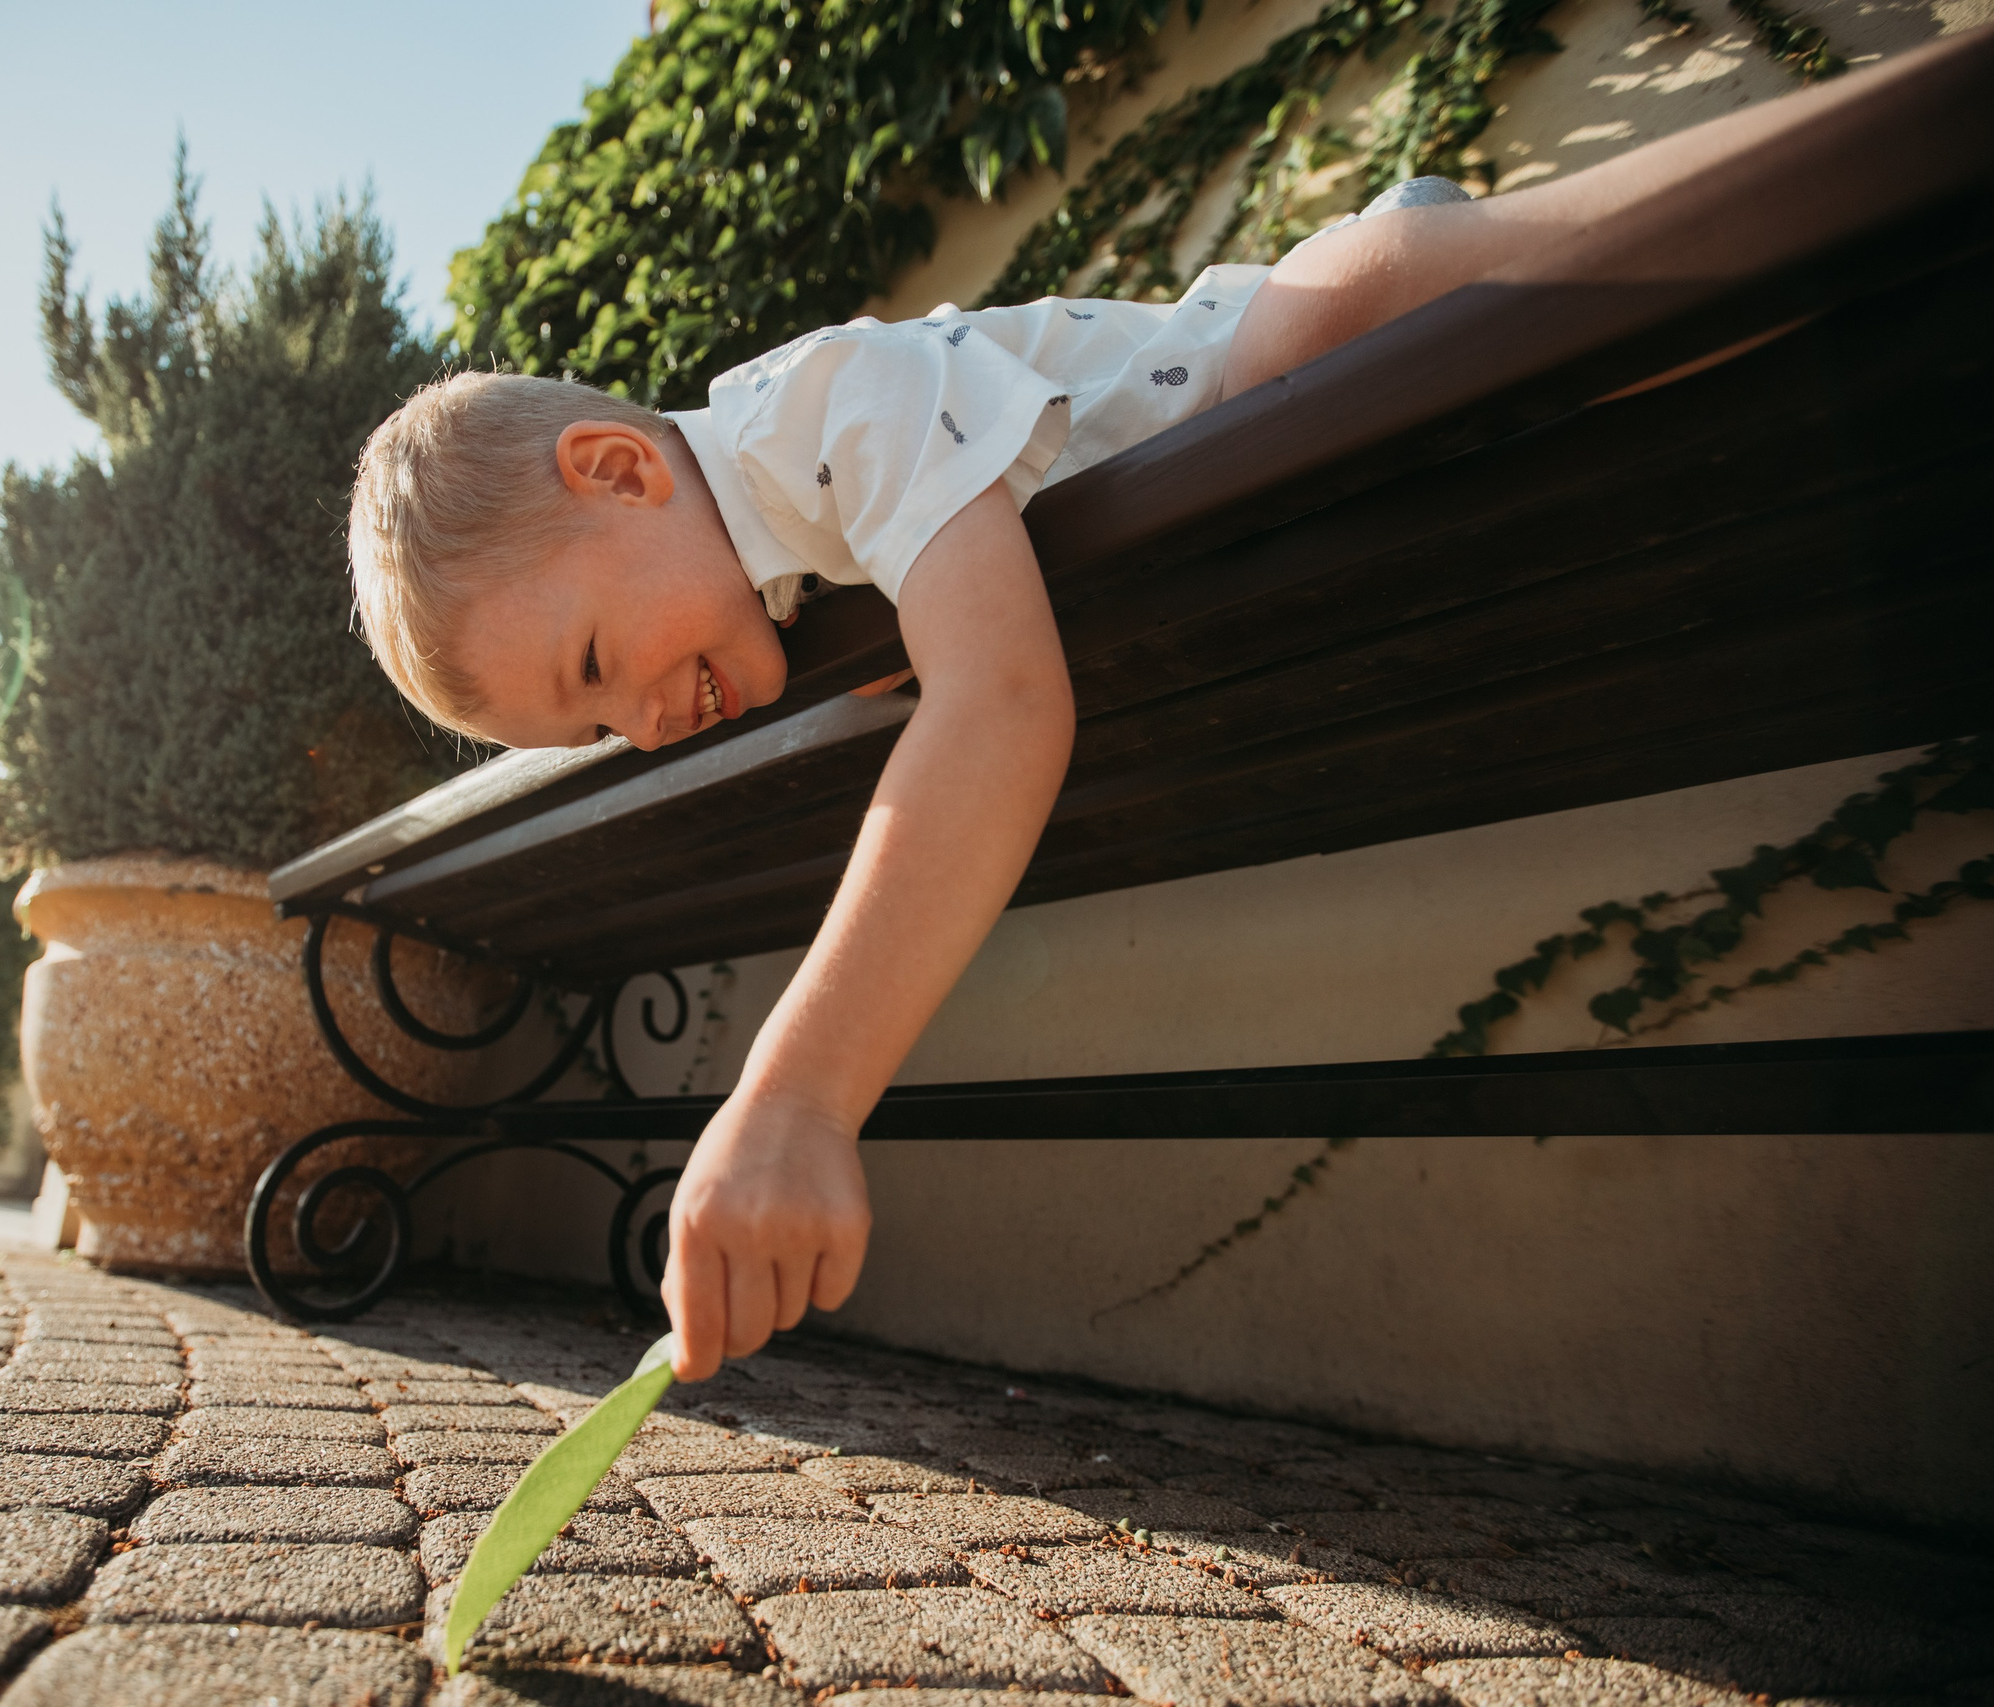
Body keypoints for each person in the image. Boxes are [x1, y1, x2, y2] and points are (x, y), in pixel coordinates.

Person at [343, 77, 1859, 1382]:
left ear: (620, 470)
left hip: (1312, 341)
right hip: (1348, 524)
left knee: (1363, 303)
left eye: (602, 660)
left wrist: (795, 1097)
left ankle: (1860, 160)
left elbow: (1001, 706)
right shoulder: (796, 567)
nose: (645, 724)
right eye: (599, 725)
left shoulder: (820, 412)